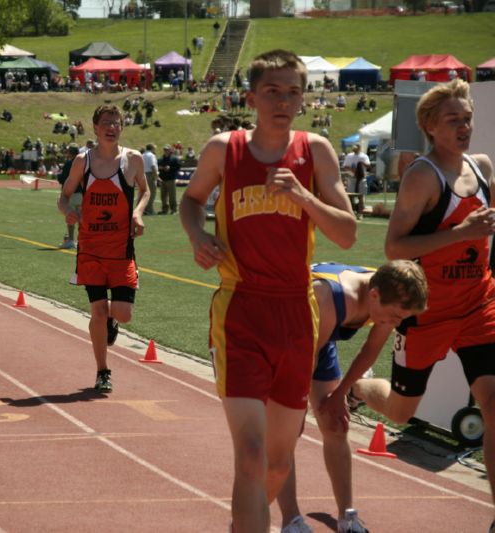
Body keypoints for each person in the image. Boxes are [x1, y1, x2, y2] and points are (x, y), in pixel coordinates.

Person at [179, 49, 357, 532]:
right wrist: (199, 237)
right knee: (252, 456)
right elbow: (191, 200)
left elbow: (347, 233)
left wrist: (302, 195)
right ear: (252, 97)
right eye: (272, 92)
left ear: (304, 97)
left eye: (293, 92)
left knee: (278, 465)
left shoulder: (315, 151)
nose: (283, 101)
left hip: (297, 316)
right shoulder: (224, 149)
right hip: (241, 312)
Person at [349, 79, 495, 531]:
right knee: (400, 412)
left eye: (468, 117)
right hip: (425, 313)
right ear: (430, 126)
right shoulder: (421, 176)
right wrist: (460, 234)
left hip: (478, 306)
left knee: (493, 403)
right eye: (453, 119)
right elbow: (395, 247)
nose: (464, 126)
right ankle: (359, 389)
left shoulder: (484, 166)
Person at [277, 260, 429, 533]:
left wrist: (339, 393)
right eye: (395, 316)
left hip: (317, 342)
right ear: (374, 296)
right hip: (282, 338)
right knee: (285, 434)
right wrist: (295, 409)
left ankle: (346, 516)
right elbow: (303, 362)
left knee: (335, 425)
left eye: (401, 319)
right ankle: (290, 519)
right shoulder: (329, 297)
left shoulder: (385, 295)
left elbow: (370, 350)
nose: (396, 323)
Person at [58, 104, 150, 392]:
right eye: (106, 122)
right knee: (97, 311)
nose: (112, 127)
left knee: (122, 313)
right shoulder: (82, 162)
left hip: (121, 249)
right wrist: (68, 212)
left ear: (122, 127)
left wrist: (138, 213)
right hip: (90, 250)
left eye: (117, 123)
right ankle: (103, 371)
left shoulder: (132, 160)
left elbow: (145, 190)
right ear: (96, 128)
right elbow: (64, 197)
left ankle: (113, 320)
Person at [56, 144, 82, 249]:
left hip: (70, 194)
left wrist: (58, 175)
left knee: (71, 218)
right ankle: (82, 240)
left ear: (70, 153)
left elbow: (63, 179)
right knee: (81, 218)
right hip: (81, 194)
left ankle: (71, 240)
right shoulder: (83, 163)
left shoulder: (69, 164)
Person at [343, 144, 371, 218]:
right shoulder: (349, 156)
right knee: (350, 196)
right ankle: (351, 212)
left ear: (359, 148)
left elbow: (368, 165)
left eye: (356, 148)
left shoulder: (364, 156)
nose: (354, 149)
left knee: (361, 196)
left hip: (361, 178)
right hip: (351, 178)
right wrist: (352, 170)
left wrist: (361, 163)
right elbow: (345, 166)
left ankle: (360, 213)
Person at [158, 144, 180, 214]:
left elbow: (178, 168)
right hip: (162, 179)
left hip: (171, 179)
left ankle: (173, 210)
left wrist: (170, 168)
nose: (165, 151)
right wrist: (160, 168)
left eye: (167, 149)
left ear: (170, 150)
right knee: (163, 196)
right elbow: (157, 166)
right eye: (164, 149)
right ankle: (165, 210)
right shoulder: (160, 159)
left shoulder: (174, 159)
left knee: (172, 196)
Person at [142, 143, 159, 215]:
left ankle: (144, 209)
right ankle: (150, 210)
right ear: (152, 148)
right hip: (150, 175)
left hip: (143, 175)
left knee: (145, 193)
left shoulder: (142, 155)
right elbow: (153, 166)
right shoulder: (151, 155)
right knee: (152, 193)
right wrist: (156, 176)